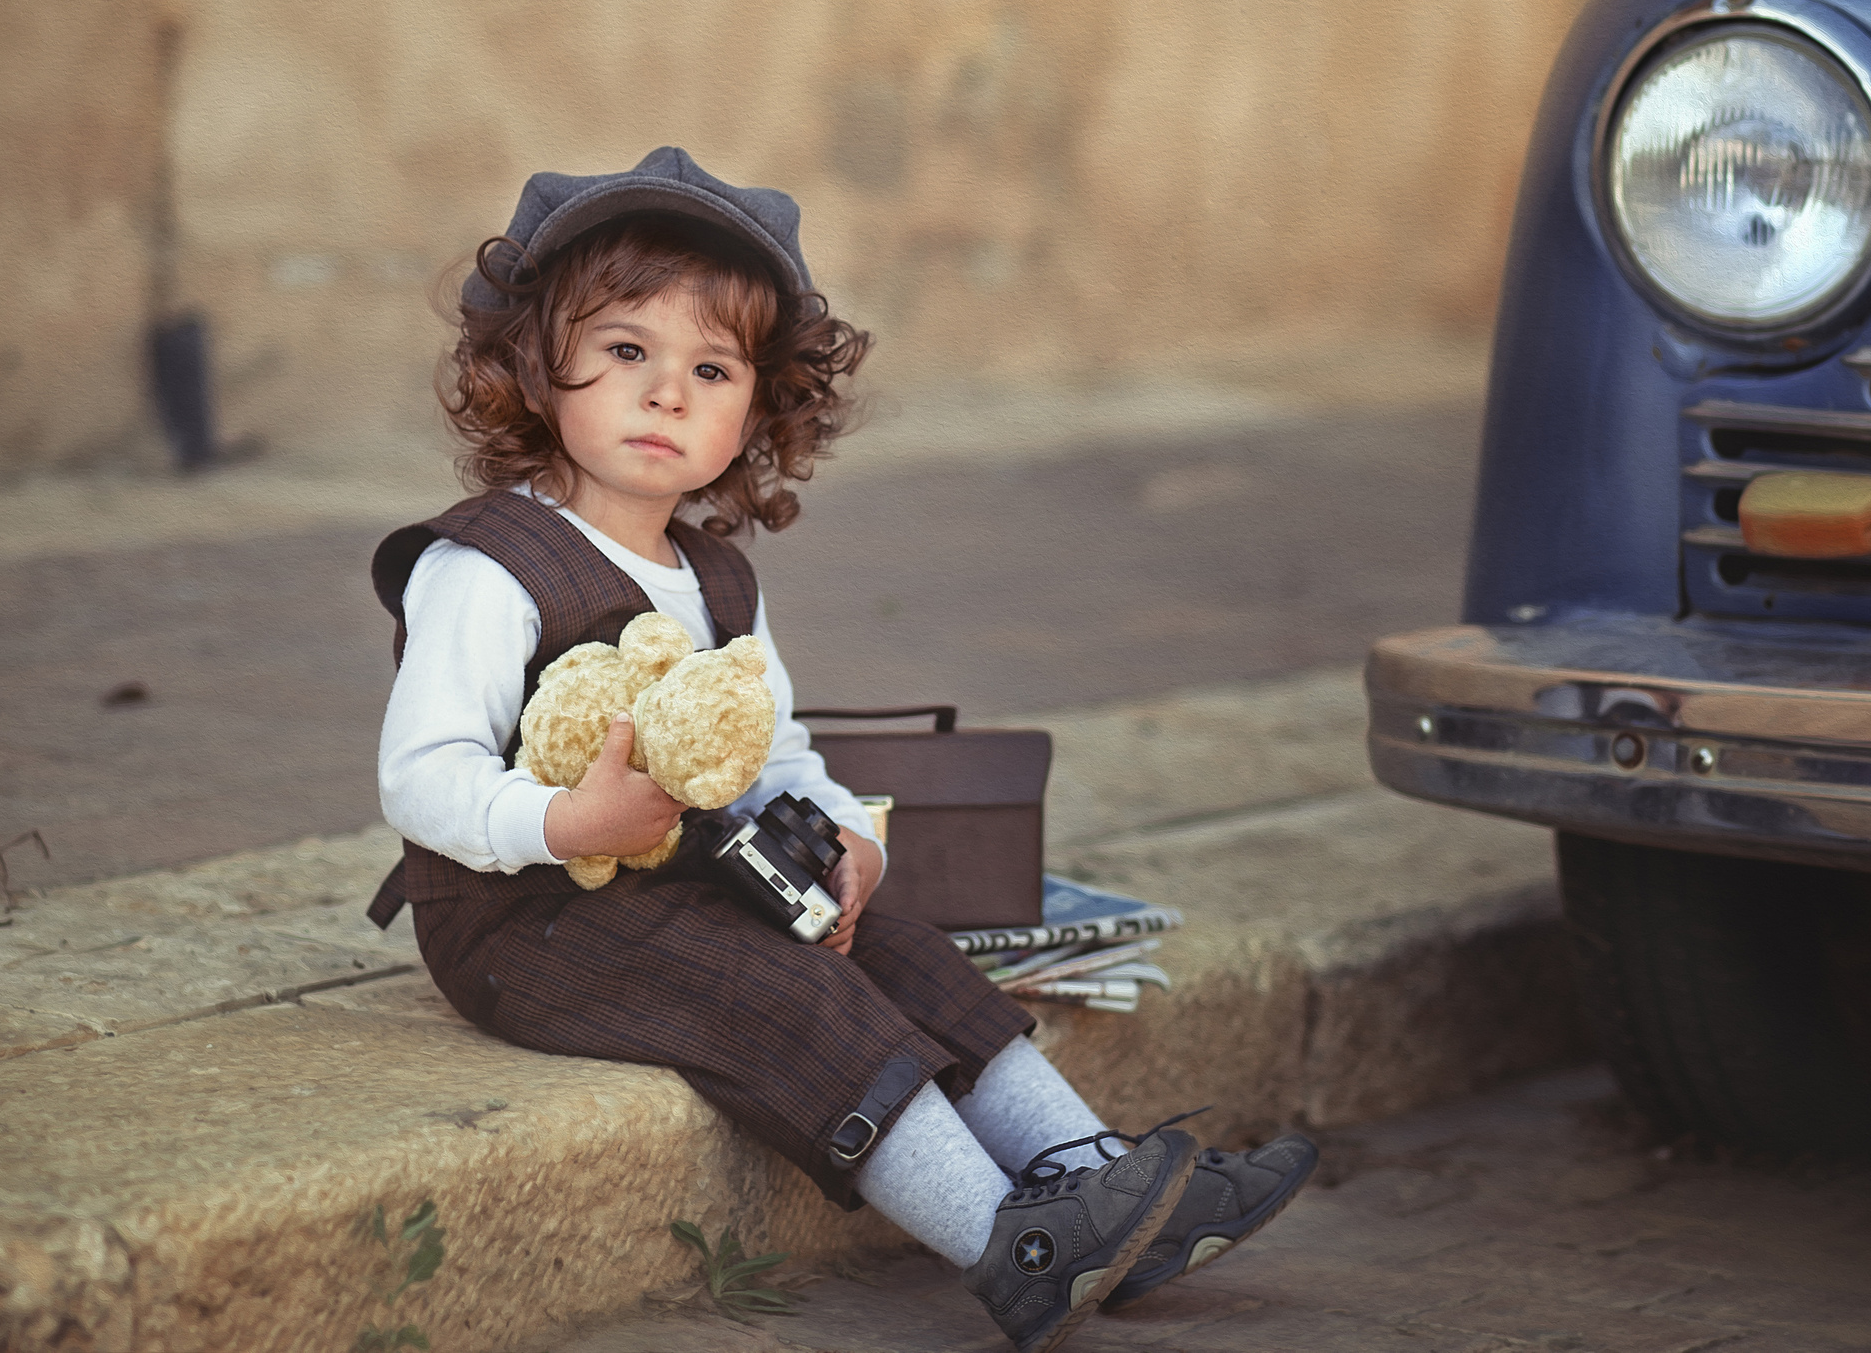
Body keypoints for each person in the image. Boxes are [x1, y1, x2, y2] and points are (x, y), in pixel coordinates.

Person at [364, 147, 1315, 1351]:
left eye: (709, 369)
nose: (665, 395)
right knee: (786, 993)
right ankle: (1008, 1246)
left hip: (679, 882)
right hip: (523, 918)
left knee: (904, 952)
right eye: (624, 353)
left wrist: (850, 836)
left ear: (756, 413)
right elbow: (421, 776)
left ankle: (1099, 1179)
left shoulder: (714, 578)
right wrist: (562, 825)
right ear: (530, 368)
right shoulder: (488, 568)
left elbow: (775, 749)